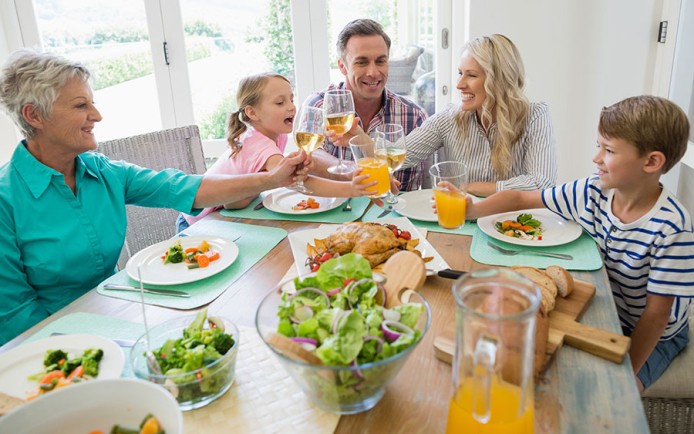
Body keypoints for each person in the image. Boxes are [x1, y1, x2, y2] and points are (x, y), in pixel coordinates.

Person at [0, 50, 308, 345]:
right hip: (56, 341)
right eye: (81, 106)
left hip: (118, 311)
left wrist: (271, 179)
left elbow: (183, 188)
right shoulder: (6, 199)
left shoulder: (102, 170)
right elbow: (17, 317)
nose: (97, 115)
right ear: (34, 115)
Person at [465, 95, 694, 392]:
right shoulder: (592, 191)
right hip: (608, 308)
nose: (596, 158)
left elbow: (657, 315)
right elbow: (522, 197)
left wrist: (626, 371)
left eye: (608, 150)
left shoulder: (673, 227)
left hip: (657, 335)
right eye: (598, 146)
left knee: (622, 391)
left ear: (651, 162)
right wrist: (473, 210)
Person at [177, 72, 375, 232]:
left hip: (230, 211)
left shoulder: (274, 134)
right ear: (252, 113)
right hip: (200, 223)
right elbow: (298, 183)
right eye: (280, 103)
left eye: (291, 99)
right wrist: (352, 189)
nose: (291, 107)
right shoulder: (257, 144)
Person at [401, 34, 557, 197]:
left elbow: (542, 184)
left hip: (509, 220)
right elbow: (399, 154)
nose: (459, 84)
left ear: (499, 80)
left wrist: (468, 188)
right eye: (460, 73)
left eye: (472, 75)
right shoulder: (449, 118)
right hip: (460, 220)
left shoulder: (535, 116)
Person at [306, 18, 428, 192]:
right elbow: (310, 156)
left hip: (394, 216)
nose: (373, 72)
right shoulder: (318, 106)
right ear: (342, 66)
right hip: (334, 216)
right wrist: (355, 170)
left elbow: (421, 189)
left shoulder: (414, 116)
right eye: (361, 62)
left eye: (380, 61)